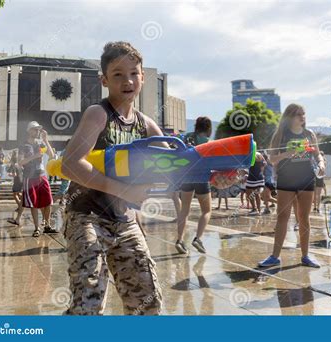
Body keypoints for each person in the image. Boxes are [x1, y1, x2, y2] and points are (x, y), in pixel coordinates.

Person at [61, 41, 162, 315]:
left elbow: (177, 165)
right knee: (89, 304)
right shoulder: (98, 114)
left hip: (125, 220)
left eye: (134, 73)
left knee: (147, 302)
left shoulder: (146, 125)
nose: (127, 80)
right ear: (104, 80)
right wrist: (122, 189)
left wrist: (218, 174)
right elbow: (71, 164)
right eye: (118, 74)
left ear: (142, 77)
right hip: (87, 216)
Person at [258, 103, 325, 268]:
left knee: (304, 218)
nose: (302, 117)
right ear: (290, 117)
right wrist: (287, 154)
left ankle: (306, 255)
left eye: (303, 114)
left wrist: (322, 164)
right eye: (298, 114)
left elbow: (317, 155)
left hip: (306, 179)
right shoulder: (281, 135)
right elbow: (272, 160)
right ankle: (275, 256)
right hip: (286, 180)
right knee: (283, 217)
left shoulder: (309, 134)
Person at [176, 116, 212, 254]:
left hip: (186, 177)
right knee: (206, 211)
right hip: (202, 178)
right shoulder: (209, 142)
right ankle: (198, 238)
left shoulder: (186, 138)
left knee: (184, 210)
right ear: (208, 128)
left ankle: (179, 240)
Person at [18, 121, 57, 236]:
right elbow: (20, 162)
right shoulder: (23, 145)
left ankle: (47, 225)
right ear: (29, 131)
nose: (37, 131)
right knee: (33, 204)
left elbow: (51, 155)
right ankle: (36, 228)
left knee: (48, 201)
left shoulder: (41, 144)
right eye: (35, 129)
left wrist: (46, 140)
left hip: (42, 175)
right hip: (29, 177)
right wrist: (34, 156)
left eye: (38, 130)